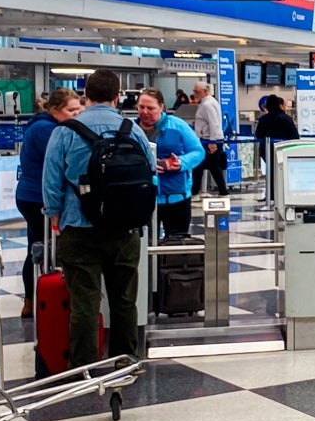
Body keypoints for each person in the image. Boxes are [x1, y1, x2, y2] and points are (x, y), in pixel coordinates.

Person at [41, 68, 156, 368]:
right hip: (124, 229)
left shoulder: (64, 132)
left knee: (85, 305)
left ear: (85, 95)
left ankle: (84, 368)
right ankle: (125, 361)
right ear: (118, 96)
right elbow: (151, 172)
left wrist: (55, 216)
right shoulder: (133, 131)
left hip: (79, 230)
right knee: (123, 300)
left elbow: (51, 184)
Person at [16, 89, 84, 315]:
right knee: (42, 248)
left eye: (79, 109)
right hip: (37, 197)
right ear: (54, 110)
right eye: (71, 110)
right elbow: (61, 162)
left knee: (36, 245)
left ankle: (34, 299)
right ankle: (38, 298)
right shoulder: (47, 130)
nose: (77, 114)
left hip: (30, 194)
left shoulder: (45, 125)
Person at [136, 88, 205, 241]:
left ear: (161, 107)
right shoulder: (130, 130)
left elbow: (198, 152)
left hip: (176, 197)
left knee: (176, 244)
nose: (145, 112)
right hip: (142, 198)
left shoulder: (178, 126)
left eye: (150, 108)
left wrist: (180, 163)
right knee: (143, 245)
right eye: (141, 107)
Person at [254, 94, 301, 198]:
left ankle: (270, 194)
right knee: (283, 173)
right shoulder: (286, 118)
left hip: (267, 150)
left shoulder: (264, 119)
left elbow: (258, 134)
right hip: (284, 150)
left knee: (271, 172)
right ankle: (283, 195)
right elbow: (294, 135)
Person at [189, 81, 228, 197]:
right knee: (207, 166)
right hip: (209, 139)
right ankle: (220, 190)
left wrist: (212, 141)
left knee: (207, 166)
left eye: (197, 91)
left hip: (208, 140)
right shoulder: (209, 102)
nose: (195, 93)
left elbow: (213, 123)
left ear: (205, 91)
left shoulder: (207, 104)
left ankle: (196, 191)